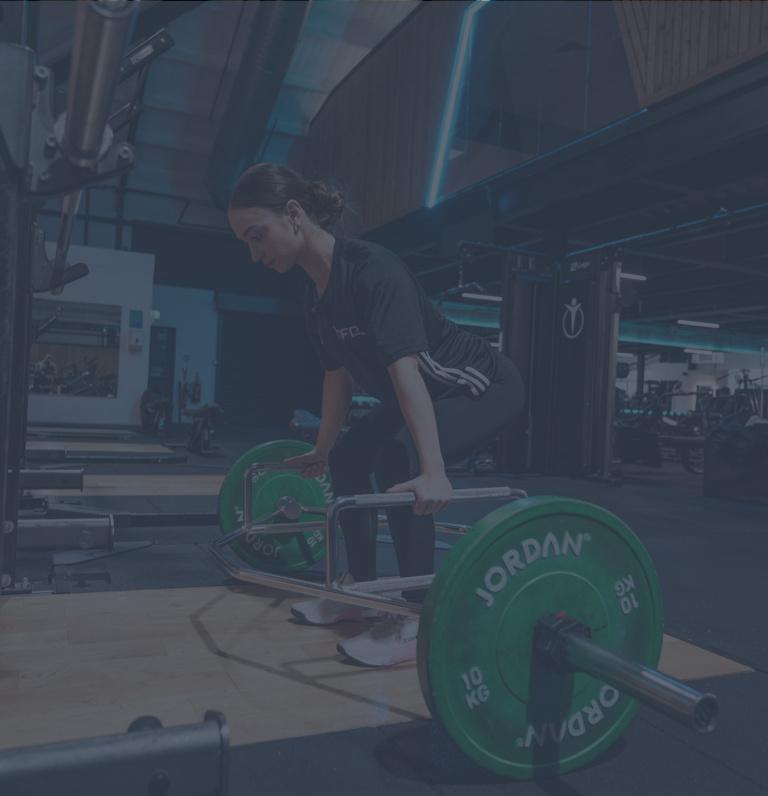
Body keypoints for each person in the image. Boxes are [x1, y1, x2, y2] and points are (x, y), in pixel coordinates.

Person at [228, 163, 524, 667]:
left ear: (294, 215)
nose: (255, 254)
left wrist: (432, 470)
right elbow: (337, 376)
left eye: (258, 236)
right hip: (426, 394)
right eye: (248, 244)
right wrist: (323, 447)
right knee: (348, 457)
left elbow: (407, 375)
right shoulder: (316, 295)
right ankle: (360, 594)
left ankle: (413, 615)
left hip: (481, 385)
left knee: (397, 460)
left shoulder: (373, 271)